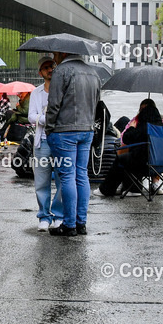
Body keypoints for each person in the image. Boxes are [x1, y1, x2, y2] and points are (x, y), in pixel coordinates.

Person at [45, 51, 101, 236]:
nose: (53, 58)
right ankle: (81, 222)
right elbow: (97, 103)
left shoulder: (62, 71)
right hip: (87, 129)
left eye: (55, 54)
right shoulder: (93, 72)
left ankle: (69, 224)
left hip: (64, 131)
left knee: (67, 176)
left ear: (62, 52)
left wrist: (49, 128)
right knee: (81, 175)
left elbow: (53, 104)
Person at [99, 99, 163, 197]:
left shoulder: (144, 127)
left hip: (145, 164)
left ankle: (107, 189)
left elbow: (126, 138)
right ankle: (133, 188)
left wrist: (132, 127)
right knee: (134, 155)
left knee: (122, 158)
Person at [28, 56, 64, 231]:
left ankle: (59, 215)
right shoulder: (36, 92)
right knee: (41, 181)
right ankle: (44, 216)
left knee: (61, 180)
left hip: (60, 141)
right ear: (40, 73)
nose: (50, 69)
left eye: (52, 66)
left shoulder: (63, 90)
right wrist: (46, 118)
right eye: (46, 68)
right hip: (42, 142)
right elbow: (31, 116)